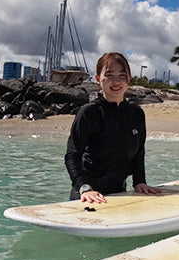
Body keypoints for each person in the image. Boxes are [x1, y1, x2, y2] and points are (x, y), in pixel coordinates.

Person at [65, 52, 162, 204]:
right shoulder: (89, 112)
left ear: (129, 79)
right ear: (98, 79)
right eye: (109, 75)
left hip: (119, 193)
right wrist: (84, 187)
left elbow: (139, 152)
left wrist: (139, 181)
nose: (116, 82)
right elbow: (72, 154)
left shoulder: (136, 114)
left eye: (122, 76)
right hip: (87, 195)